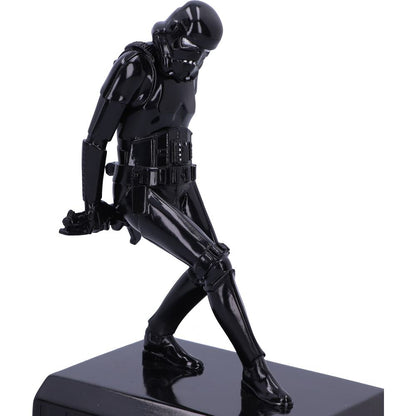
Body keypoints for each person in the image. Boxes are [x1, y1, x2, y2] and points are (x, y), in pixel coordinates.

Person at [60, 1, 293, 409]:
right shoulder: (136, 66)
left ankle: (158, 336)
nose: (196, 60)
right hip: (141, 191)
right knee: (214, 266)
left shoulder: (190, 69)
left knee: (215, 266)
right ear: (170, 35)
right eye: (191, 49)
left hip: (182, 182)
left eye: (204, 54)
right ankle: (255, 370)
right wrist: (93, 205)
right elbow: (95, 139)